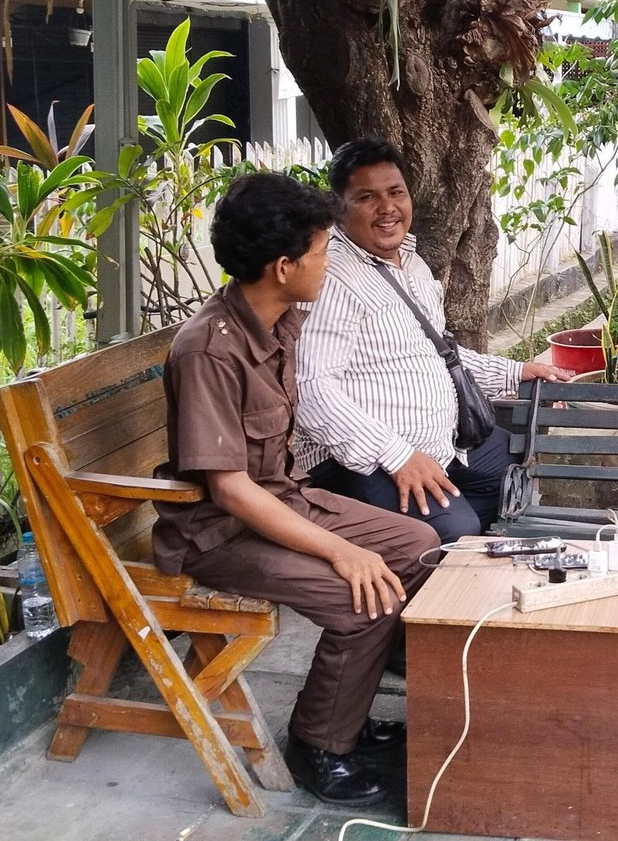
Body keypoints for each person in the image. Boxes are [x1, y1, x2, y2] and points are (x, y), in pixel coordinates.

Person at [154, 172, 441, 807]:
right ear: (283, 267)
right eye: (321, 251)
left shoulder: (279, 320)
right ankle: (318, 745)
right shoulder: (209, 350)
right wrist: (341, 550)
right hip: (218, 534)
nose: (329, 263)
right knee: (361, 598)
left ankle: (349, 709)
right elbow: (231, 491)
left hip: (280, 500)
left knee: (419, 545)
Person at [294, 138, 572, 546]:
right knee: (453, 529)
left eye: (396, 192)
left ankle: (453, 546)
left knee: (517, 468)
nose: (387, 208)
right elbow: (309, 389)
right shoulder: (332, 278)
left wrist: (516, 372)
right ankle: (411, 554)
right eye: (367, 197)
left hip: (441, 443)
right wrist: (398, 456)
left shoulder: (414, 265)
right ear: (340, 207)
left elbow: (437, 353)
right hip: (361, 461)